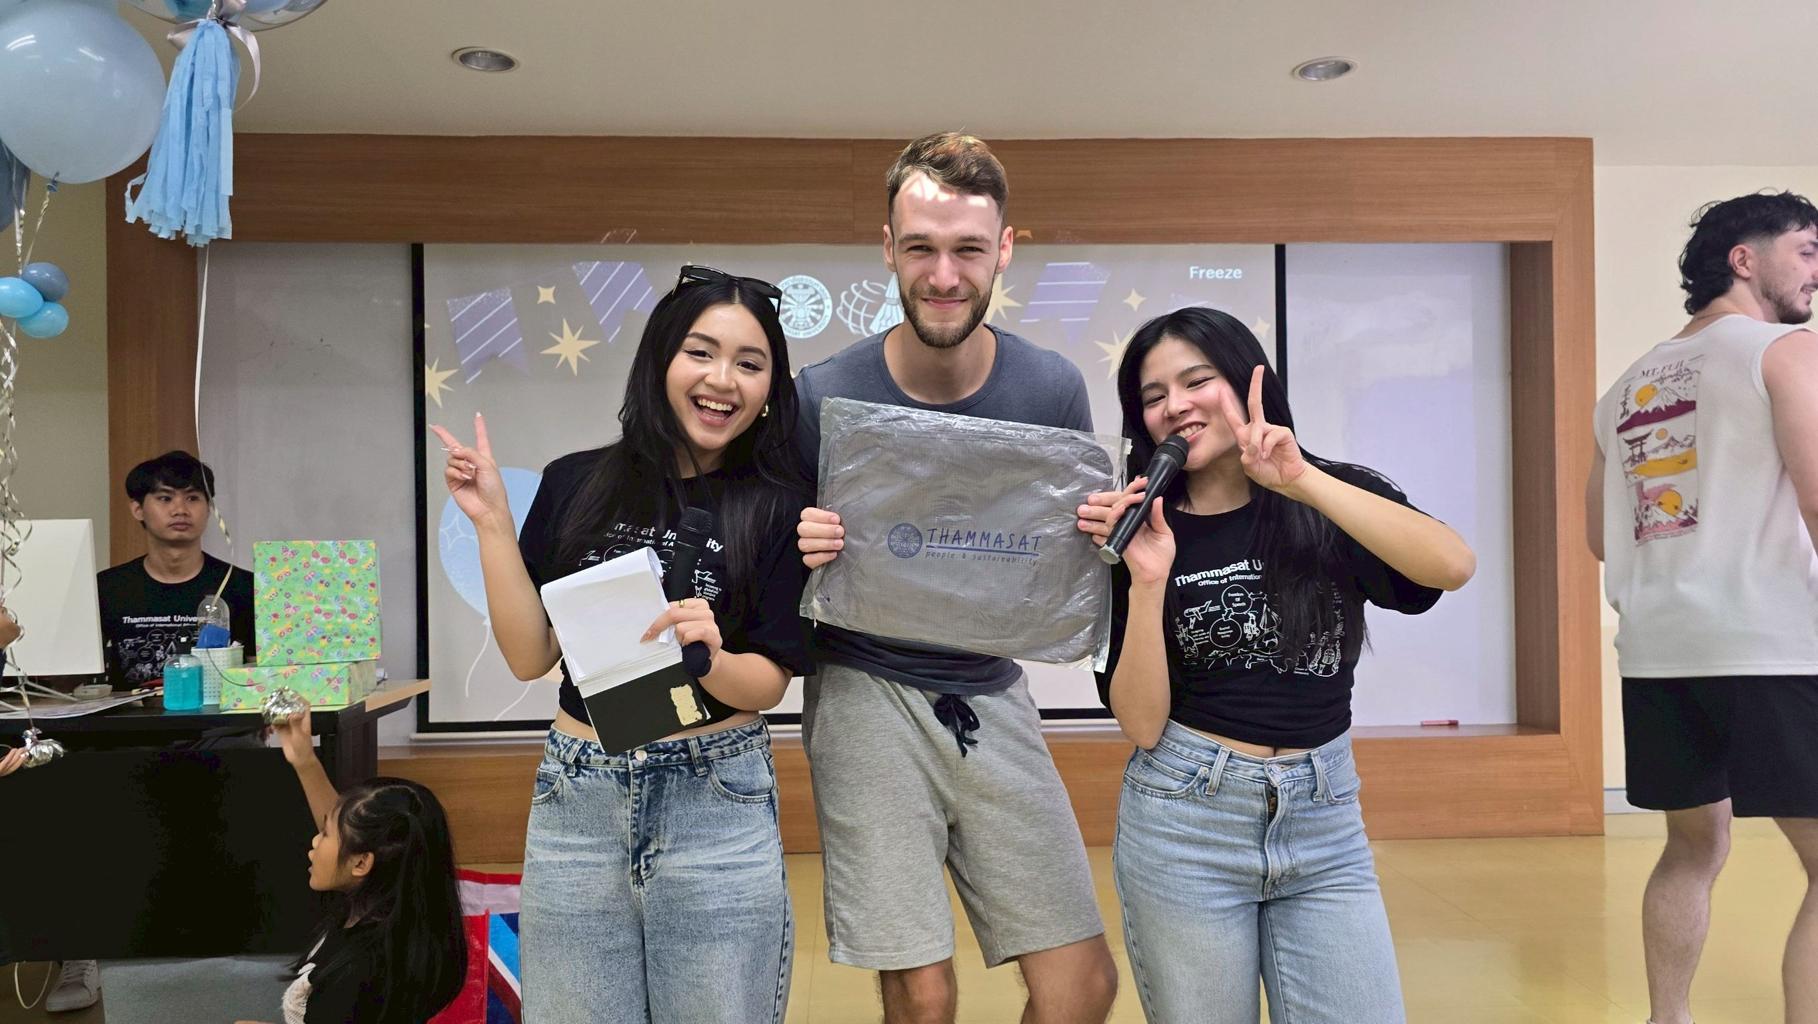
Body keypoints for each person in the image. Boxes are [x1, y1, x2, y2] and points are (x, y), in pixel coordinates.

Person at [794, 132, 1119, 1024]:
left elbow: (1057, 571)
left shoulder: (1051, 389)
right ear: (888, 248)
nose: (944, 275)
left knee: (1083, 985)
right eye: (921, 248)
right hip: (864, 688)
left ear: (1004, 249)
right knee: (924, 994)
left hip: (990, 690)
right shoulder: (821, 395)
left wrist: (1097, 541)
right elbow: (778, 572)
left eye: (968, 249)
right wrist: (798, 545)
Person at [433, 264, 811, 1023]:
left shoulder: (782, 508)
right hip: (580, 799)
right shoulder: (577, 482)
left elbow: (770, 682)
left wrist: (710, 656)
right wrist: (493, 525)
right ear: (660, 361)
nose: (722, 380)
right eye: (700, 353)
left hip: (715, 800)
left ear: (772, 387)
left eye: (750, 363)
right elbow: (530, 656)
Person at [1076, 307, 1474, 1023]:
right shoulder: (1137, 528)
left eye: (1197, 381)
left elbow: (1452, 565)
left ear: (1246, 380)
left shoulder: (1328, 494)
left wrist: (1303, 482)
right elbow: (1140, 724)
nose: (1176, 406)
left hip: (1324, 821)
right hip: (1186, 824)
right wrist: (1147, 580)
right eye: (1154, 396)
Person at [1586, 191, 1818, 1024]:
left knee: (1692, 847)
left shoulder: (1626, 386)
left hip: (1661, 651)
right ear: (1744, 259)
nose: (1817, 273)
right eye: (1807, 251)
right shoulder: (1783, 351)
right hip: (1770, 644)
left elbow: (1600, 536)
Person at [235, 709, 466, 1024]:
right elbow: (349, 835)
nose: (315, 842)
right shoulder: (401, 918)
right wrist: (305, 760)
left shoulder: (355, 973)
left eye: (325, 834)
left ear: (361, 863)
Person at [96, 450, 255, 690]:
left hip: (218, 714)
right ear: (138, 509)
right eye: (165, 498)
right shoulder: (106, 588)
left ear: (209, 508)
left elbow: (261, 676)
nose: (180, 510)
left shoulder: (243, 587)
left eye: (192, 498)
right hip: (129, 714)